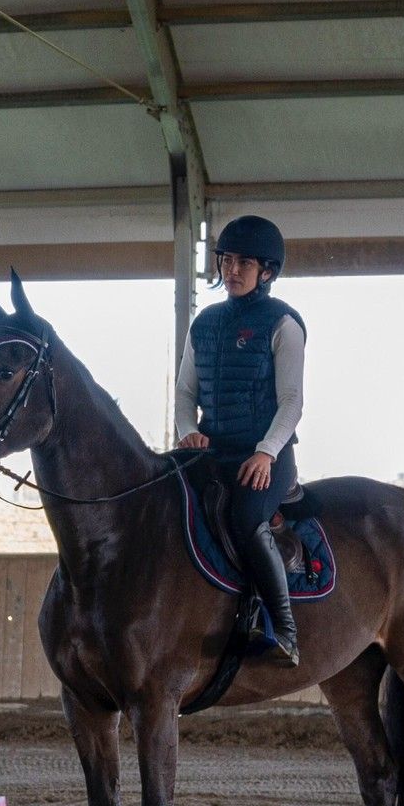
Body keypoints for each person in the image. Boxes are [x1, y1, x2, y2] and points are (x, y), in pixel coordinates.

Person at [175, 215, 306, 665]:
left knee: (247, 519)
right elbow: (185, 391)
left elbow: (291, 401)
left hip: (265, 457)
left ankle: (283, 628)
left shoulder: (283, 323)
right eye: (226, 260)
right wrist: (186, 431)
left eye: (243, 262)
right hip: (210, 452)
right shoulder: (204, 323)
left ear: (266, 271)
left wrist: (266, 452)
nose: (231, 270)